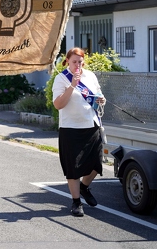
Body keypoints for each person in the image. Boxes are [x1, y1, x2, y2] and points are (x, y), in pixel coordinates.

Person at [52, 47, 106, 217]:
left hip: (91, 124)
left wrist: (101, 99)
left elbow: (97, 94)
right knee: (73, 167)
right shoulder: (61, 79)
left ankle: (84, 187)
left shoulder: (90, 75)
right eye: (74, 62)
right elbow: (58, 104)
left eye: (80, 62)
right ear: (67, 61)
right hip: (70, 128)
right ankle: (76, 202)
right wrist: (72, 86)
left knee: (97, 164)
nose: (77, 65)